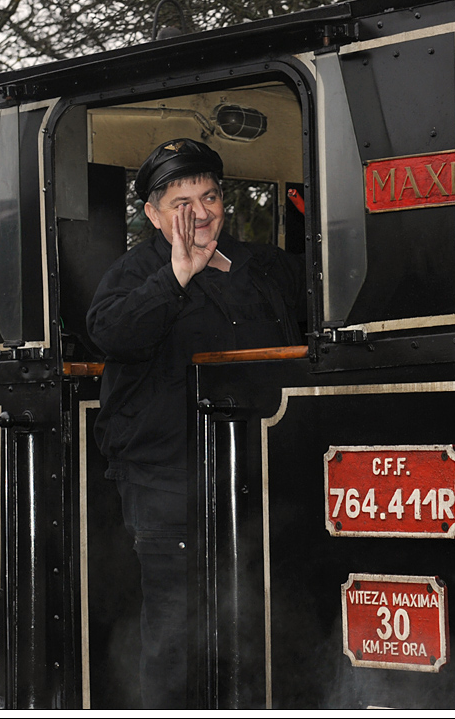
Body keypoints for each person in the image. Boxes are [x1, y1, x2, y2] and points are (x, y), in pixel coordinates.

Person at [86, 138, 303, 708]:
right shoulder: (134, 273)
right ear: (154, 215)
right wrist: (177, 275)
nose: (200, 213)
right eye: (182, 204)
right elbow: (112, 333)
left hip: (259, 482)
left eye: (209, 197)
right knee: (175, 636)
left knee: (262, 622)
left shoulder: (265, 267)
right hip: (167, 488)